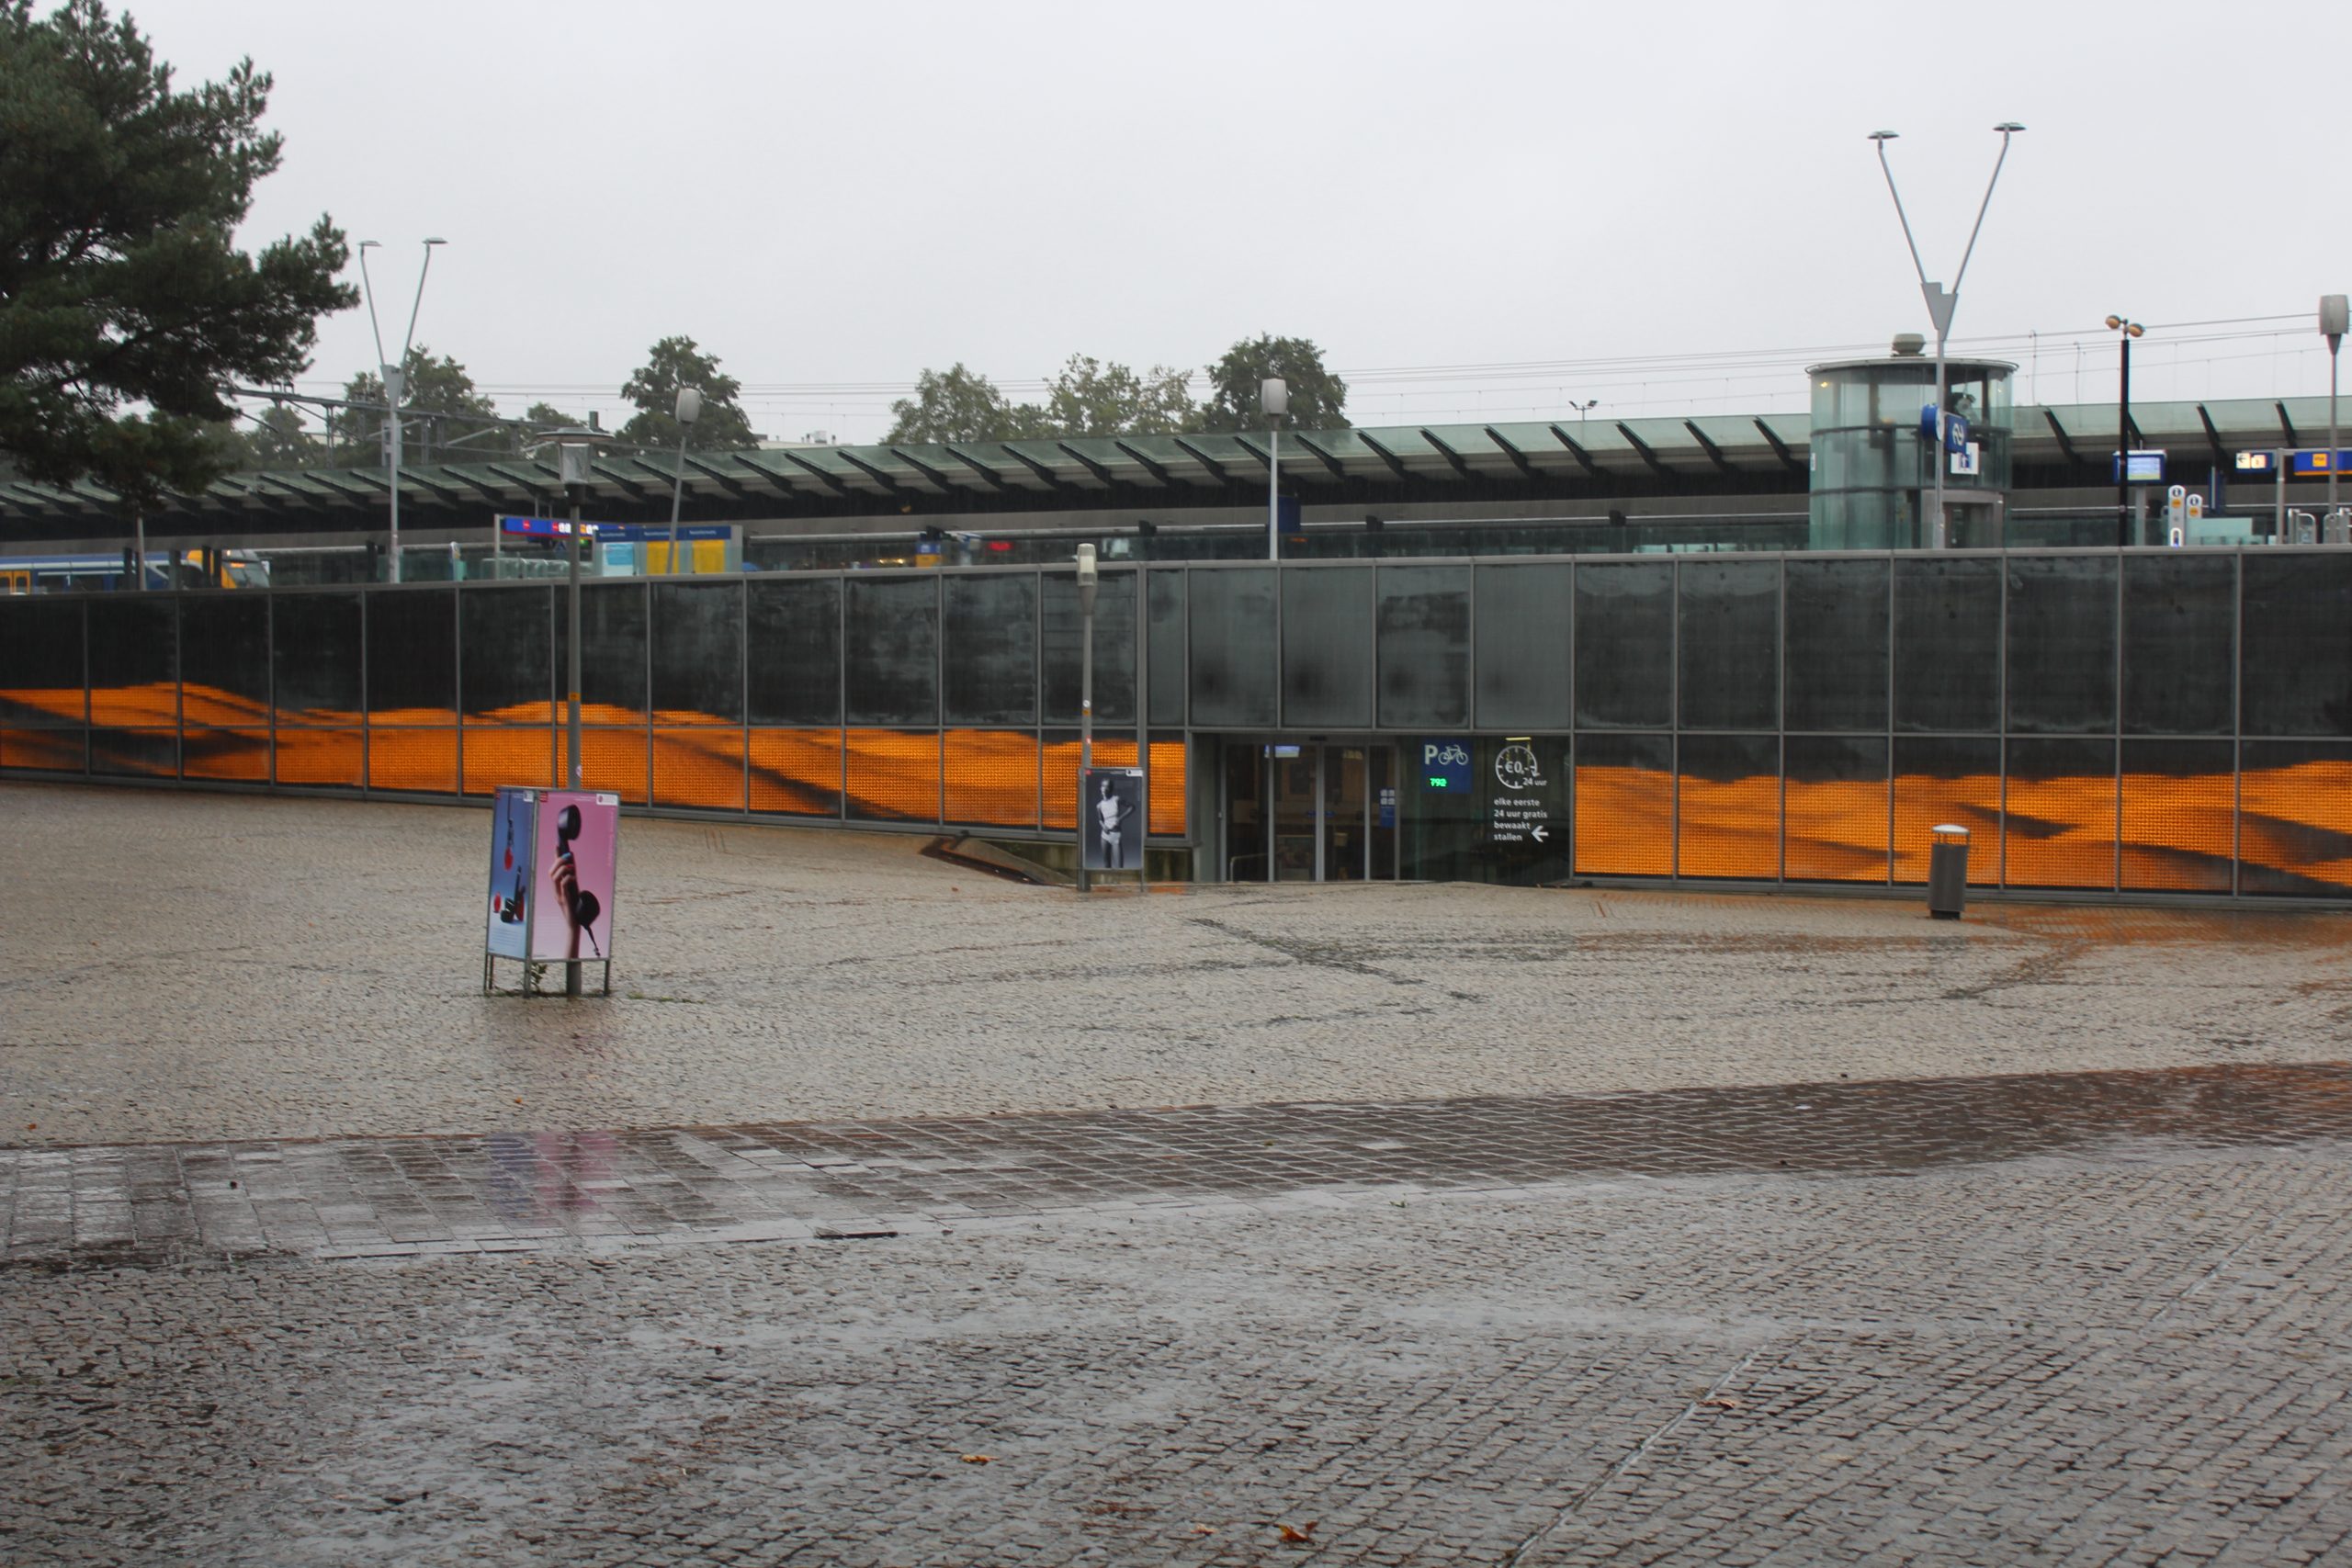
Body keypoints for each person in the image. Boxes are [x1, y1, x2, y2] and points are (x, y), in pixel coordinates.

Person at [1094, 775, 1134, 869]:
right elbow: (1100, 819)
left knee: (1119, 867)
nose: (1105, 788)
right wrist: (1103, 826)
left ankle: (1118, 883)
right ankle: (1108, 883)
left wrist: (1120, 819)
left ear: (1111, 788)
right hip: (1105, 836)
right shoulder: (1099, 805)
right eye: (1103, 786)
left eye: (1107, 786)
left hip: (1116, 834)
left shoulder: (1116, 799)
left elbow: (1132, 807)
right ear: (1100, 788)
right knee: (1107, 866)